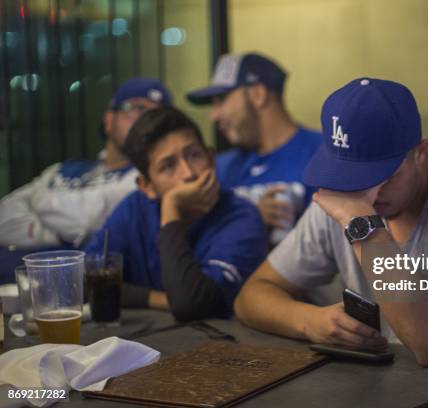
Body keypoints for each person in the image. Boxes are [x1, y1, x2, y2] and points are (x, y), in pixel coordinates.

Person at [234, 78, 428, 366]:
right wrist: (309, 320)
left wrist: (364, 225)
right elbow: (251, 297)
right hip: (406, 387)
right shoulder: (346, 193)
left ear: (420, 153)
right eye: (351, 177)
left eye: (382, 176)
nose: (368, 193)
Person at [86, 106, 267, 321]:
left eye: (194, 155)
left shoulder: (242, 217)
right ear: (147, 186)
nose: (189, 173)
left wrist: (171, 207)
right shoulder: (134, 208)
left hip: (222, 347)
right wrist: (158, 299)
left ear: (211, 159)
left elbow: (190, 305)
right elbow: (85, 280)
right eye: (168, 165)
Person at [0, 78, 172, 249]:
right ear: (109, 120)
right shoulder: (62, 169)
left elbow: (84, 221)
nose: (146, 121)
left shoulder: (145, 180)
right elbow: (4, 218)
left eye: (156, 116)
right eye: (136, 108)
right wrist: (61, 237)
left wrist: (36, 198)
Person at [187, 52, 321, 247]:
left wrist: (383, 277)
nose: (214, 116)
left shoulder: (325, 153)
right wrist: (250, 218)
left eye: (221, 100)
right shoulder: (220, 167)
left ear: (258, 94)